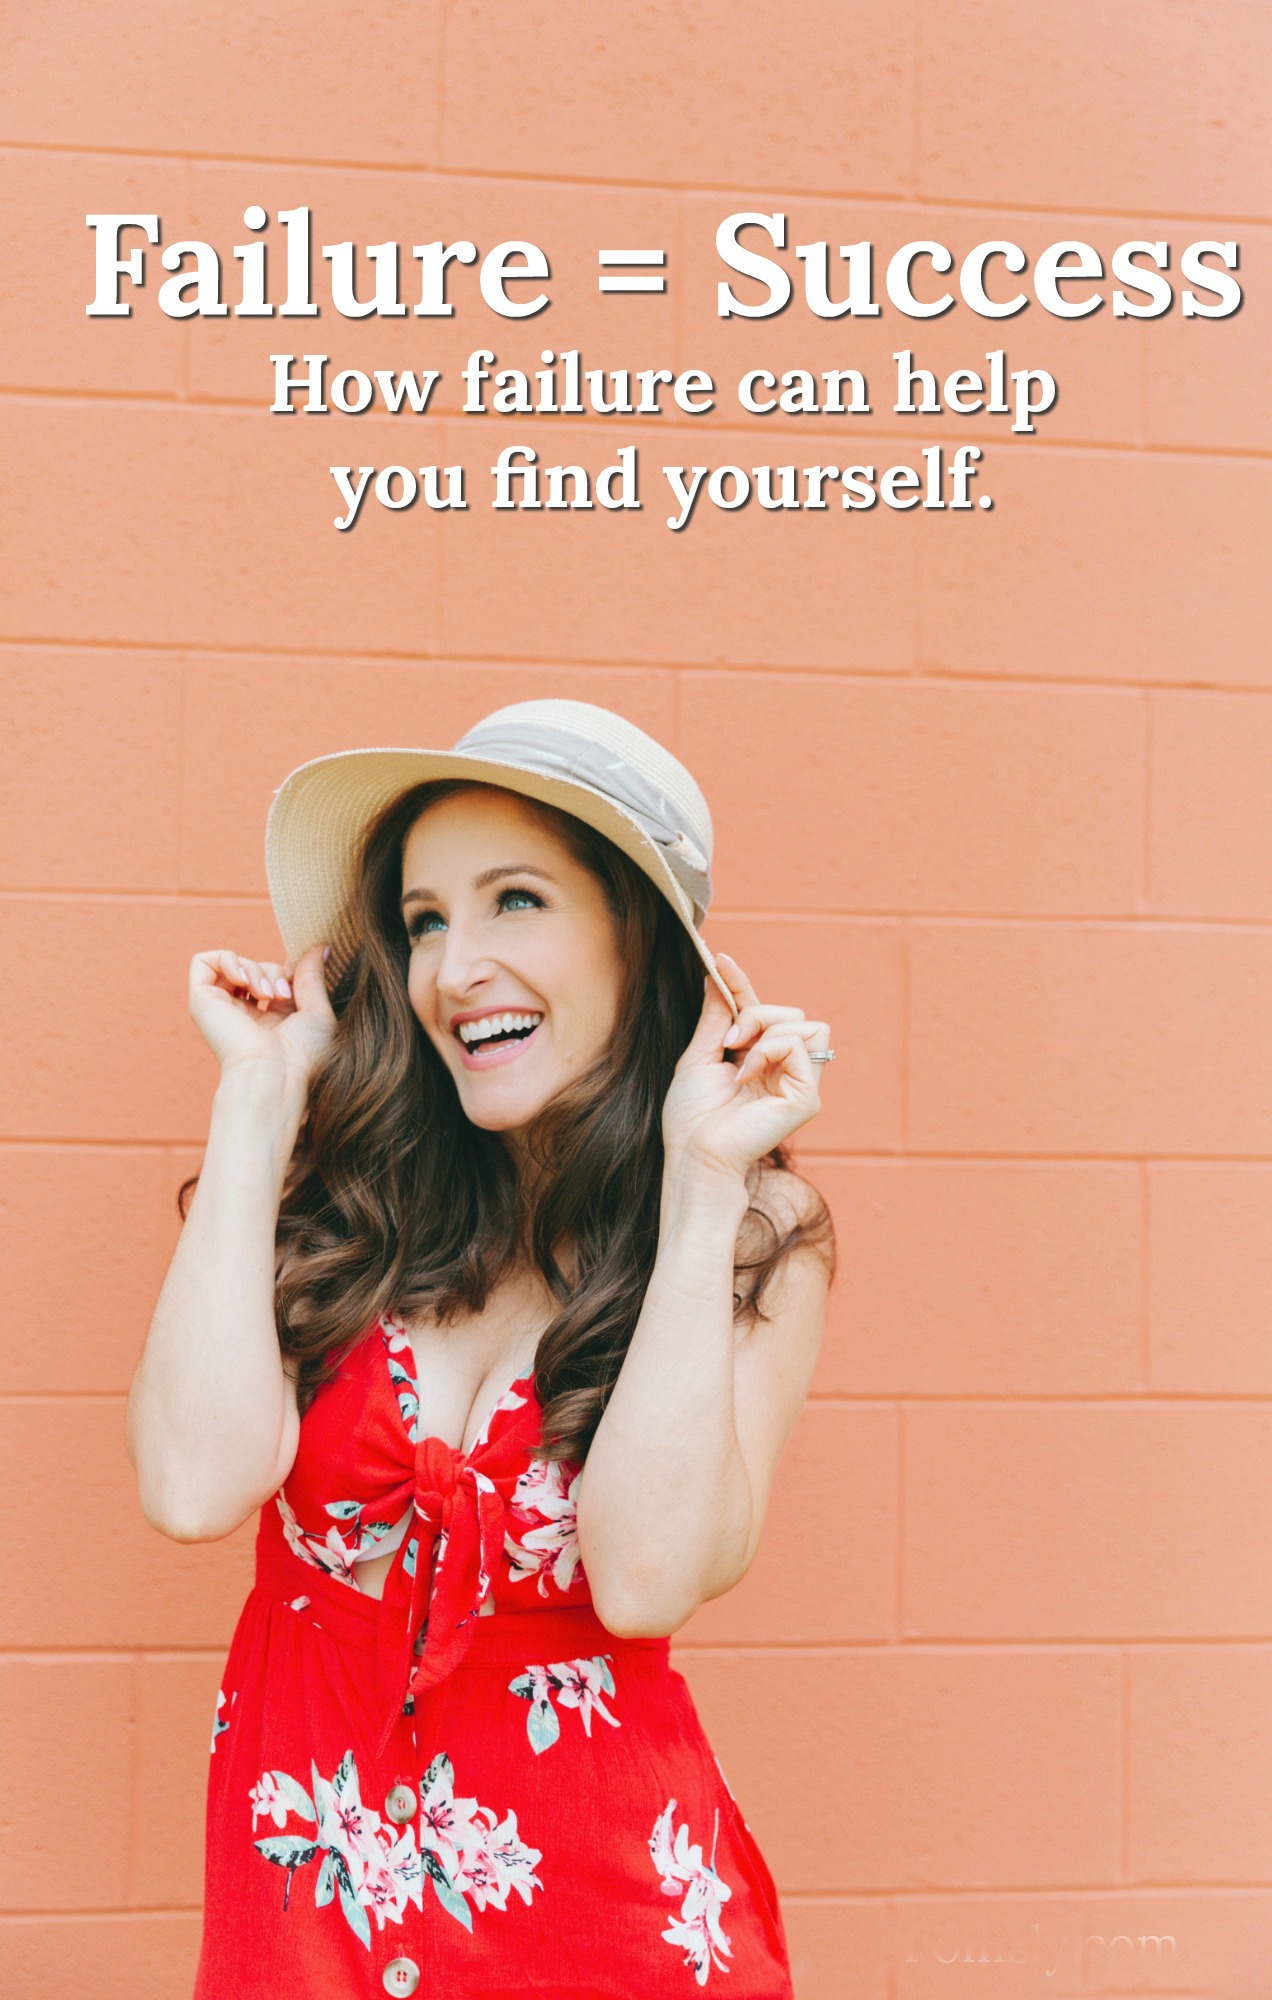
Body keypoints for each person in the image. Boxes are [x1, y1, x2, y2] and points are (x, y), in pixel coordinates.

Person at [127, 698, 836, 1999]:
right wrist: (258, 1094)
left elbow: (642, 1580)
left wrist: (700, 1176)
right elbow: (189, 1484)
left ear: (639, 939)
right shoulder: (347, 1201)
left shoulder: (751, 1225)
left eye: (517, 901)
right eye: (425, 919)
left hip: (605, 1935)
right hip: (304, 1936)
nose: (454, 968)